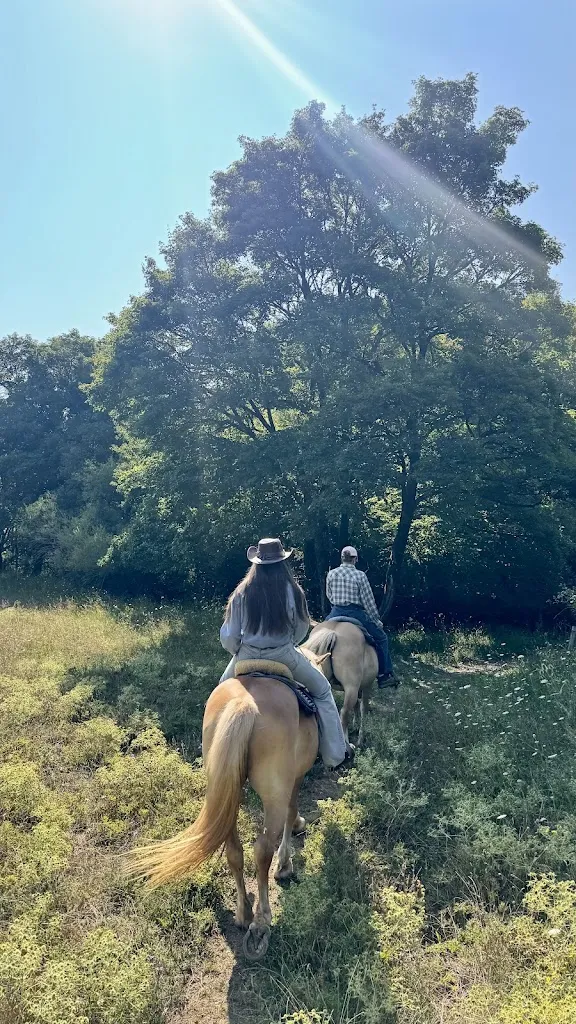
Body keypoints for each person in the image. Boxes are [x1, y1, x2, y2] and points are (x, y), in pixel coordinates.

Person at [219, 537, 352, 769]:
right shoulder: (292, 591)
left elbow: (229, 636)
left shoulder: (242, 592)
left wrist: (237, 651)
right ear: (282, 562)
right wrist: (287, 643)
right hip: (283, 656)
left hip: (247, 655)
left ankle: (211, 750)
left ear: (256, 563)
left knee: (220, 692)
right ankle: (335, 755)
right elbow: (301, 629)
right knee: (322, 691)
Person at [326, 545, 396, 688]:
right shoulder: (360, 575)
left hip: (335, 611)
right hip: (355, 613)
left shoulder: (331, 573)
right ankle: (384, 675)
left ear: (341, 558)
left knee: (319, 637)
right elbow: (368, 601)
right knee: (382, 638)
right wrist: (376, 620)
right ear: (355, 559)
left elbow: (329, 595)